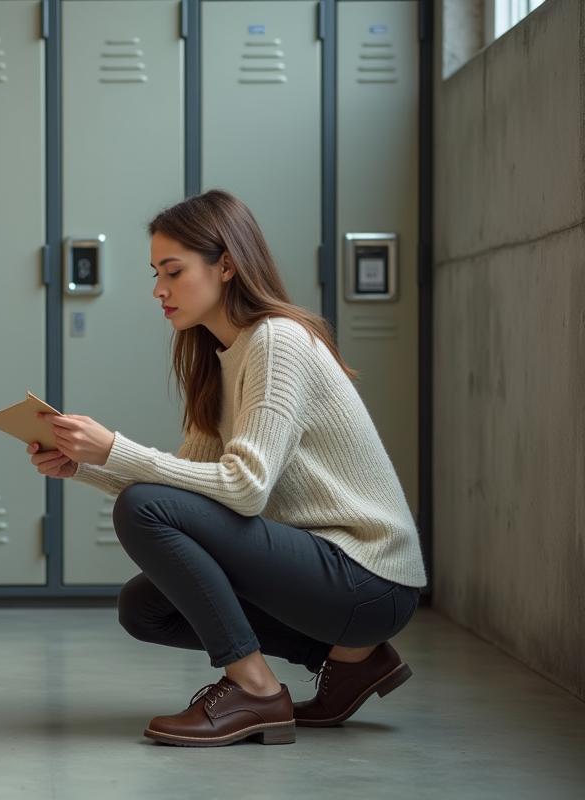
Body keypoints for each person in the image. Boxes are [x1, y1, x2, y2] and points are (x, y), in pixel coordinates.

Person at [26, 190, 426, 748]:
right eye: (156, 274)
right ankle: (349, 659)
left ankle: (256, 690)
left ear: (227, 266)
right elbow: (186, 491)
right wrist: (83, 466)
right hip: (328, 577)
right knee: (144, 609)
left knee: (142, 509)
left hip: (369, 575)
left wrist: (114, 448)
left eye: (173, 271)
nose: (158, 289)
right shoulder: (220, 360)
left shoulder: (277, 340)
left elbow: (243, 490)